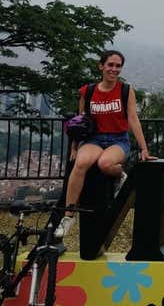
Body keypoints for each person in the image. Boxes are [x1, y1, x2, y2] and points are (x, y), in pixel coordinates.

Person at [55, 50, 155, 238]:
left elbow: (133, 119)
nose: (114, 69)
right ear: (101, 66)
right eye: (110, 65)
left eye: (118, 66)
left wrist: (144, 148)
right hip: (95, 139)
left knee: (105, 163)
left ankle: (120, 175)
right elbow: (81, 122)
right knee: (81, 163)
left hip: (118, 139)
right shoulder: (88, 91)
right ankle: (68, 216)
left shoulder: (125, 91)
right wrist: (75, 146)